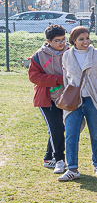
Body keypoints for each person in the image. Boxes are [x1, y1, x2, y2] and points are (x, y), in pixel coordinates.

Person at [57, 26, 97, 181]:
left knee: (96, 133)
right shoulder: (67, 55)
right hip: (74, 101)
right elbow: (66, 79)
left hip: (93, 99)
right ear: (73, 41)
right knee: (71, 134)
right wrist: (67, 97)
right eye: (81, 39)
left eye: (87, 38)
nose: (86, 42)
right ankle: (72, 168)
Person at [28, 25, 68, 174]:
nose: (62, 43)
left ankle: (47, 158)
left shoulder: (70, 52)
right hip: (47, 99)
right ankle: (59, 160)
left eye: (63, 39)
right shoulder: (39, 55)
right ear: (48, 41)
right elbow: (34, 76)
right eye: (57, 40)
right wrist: (58, 79)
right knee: (56, 128)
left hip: (66, 98)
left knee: (60, 128)